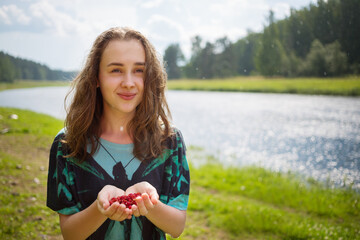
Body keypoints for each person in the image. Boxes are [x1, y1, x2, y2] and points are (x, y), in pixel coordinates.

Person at [46, 27, 190, 240]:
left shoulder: (170, 141)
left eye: (139, 70)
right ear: (96, 77)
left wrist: (148, 203)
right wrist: (100, 208)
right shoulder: (68, 143)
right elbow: (70, 234)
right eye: (116, 70)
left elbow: (177, 227)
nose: (129, 82)